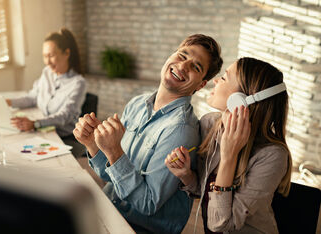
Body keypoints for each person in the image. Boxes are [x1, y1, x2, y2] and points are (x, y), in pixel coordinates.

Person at [74, 34, 223, 233]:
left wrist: (115, 152)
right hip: (110, 209)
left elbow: (147, 203)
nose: (183, 66)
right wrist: (91, 144)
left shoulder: (180, 130)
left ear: (201, 85)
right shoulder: (138, 104)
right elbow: (112, 178)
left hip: (138, 227)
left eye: (196, 67)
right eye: (182, 55)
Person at [165, 57, 292, 233]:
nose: (215, 81)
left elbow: (221, 224)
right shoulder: (209, 124)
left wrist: (229, 156)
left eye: (224, 77)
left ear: (241, 100)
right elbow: (205, 192)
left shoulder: (272, 155)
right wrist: (186, 175)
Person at [7, 28, 86, 137]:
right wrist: (8, 102)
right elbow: (32, 97)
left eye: (51, 56)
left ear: (67, 53)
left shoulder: (78, 83)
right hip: (42, 130)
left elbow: (65, 116)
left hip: (64, 137)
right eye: (45, 56)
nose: (47, 62)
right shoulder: (47, 73)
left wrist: (36, 124)